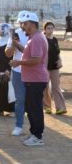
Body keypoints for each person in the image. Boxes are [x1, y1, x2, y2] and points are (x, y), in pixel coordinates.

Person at [10, 12, 49, 146]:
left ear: (32, 24)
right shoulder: (34, 38)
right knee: (32, 108)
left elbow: (36, 60)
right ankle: (34, 134)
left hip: (36, 80)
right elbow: (28, 53)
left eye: (25, 24)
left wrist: (18, 63)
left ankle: (37, 137)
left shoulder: (37, 39)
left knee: (35, 109)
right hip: (33, 80)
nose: (23, 26)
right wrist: (17, 44)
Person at [5, 10, 29, 136]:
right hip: (18, 72)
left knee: (32, 100)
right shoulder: (15, 34)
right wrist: (14, 44)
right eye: (21, 22)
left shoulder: (34, 35)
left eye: (25, 22)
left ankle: (34, 125)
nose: (23, 25)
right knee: (20, 99)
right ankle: (19, 125)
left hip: (32, 72)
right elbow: (7, 53)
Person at [42, 22, 67, 115]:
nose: (50, 30)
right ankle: (47, 107)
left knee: (56, 87)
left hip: (55, 67)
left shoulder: (55, 40)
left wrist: (60, 60)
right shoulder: (42, 39)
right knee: (45, 87)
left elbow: (57, 52)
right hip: (45, 67)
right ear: (44, 29)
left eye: (52, 28)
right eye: (48, 28)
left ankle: (60, 107)